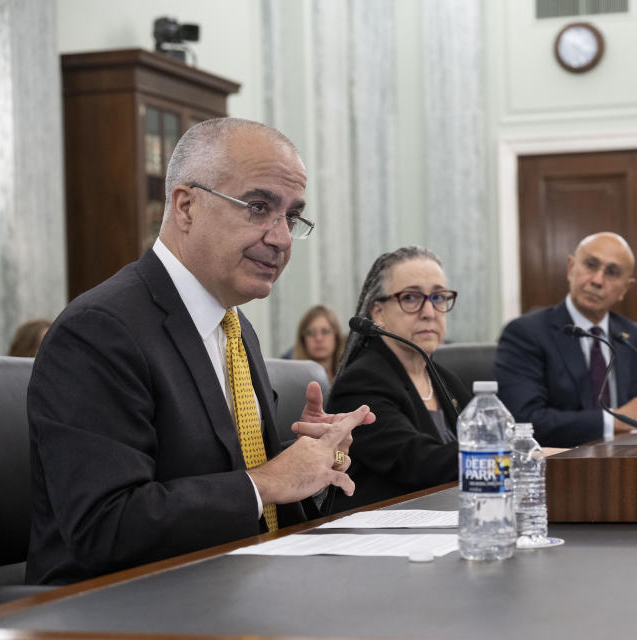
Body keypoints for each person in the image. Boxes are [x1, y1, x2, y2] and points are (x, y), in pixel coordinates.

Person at [26, 118, 375, 585]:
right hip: (119, 613)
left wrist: (312, 465)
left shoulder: (234, 327)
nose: (282, 238)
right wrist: (269, 480)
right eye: (257, 207)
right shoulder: (98, 331)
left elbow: (228, 478)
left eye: (292, 217)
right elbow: (104, 526)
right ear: (186, 207)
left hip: (239, 589)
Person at [494, 232, 637, 447]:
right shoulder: (526, 333)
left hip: (630, 460)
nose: (597, 281)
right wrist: (617, 419)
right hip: (561, 466)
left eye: (612, 273)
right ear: (571, 268)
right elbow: (525, 420)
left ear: (625, 288)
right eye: (590, 265)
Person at [325, 247, 471, 511]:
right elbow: (418, 464)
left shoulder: (446, 380)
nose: (429, 312)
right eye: (412, 297)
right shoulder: (362, 383)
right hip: (382, 534)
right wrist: (501, 455)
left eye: (438, 297)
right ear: (378, 313)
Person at [291, 305, 344, 381]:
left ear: (336, 337)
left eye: (325, 331)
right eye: (311, 333)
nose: (318, 338)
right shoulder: (293, 379)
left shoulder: (348, 377)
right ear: (303, 340)